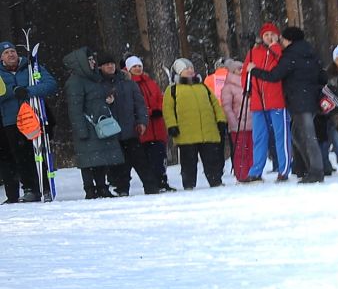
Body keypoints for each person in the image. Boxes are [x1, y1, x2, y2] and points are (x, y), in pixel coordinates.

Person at [254, 25, 327, 183]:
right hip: (312, 99)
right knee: (298, 134)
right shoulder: (311, 53)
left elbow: (275, 75)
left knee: (307, 136)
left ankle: (316, 170)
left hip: (299, 100)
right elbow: (323, 76)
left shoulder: (290, 55)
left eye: (283, 39)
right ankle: (311, 168)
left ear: (288, 40)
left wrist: (255, 71)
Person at [66, 49, 137, 199]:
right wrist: (81, 130)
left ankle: (101, 187)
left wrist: (107, 101)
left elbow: (96, 99)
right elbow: (75, 108)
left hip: (98, 125)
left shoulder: (95, 78)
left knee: (100, 158)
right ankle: (90, 189)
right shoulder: (75, 82)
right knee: (86, 161)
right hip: (87, 125)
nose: (93, 63)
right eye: (90, 60)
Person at [1, 42, 57, 203]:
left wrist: (28, 91)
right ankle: (29, 189)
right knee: (20, 156)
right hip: (11, 120)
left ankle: (44, 187)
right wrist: (13, 92)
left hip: (33, 117)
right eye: (6, 53)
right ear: (1, 58)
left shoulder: (31, 67)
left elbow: (50, 84)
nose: (11, 55)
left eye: (12, 51)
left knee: (38, 152)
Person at [162, 58, 226, 189]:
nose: (191, 70)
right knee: (188, 162)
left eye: (191, 68)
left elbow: (215, 104)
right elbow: (167, 110)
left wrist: (220, 120)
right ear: (179, 72)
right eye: (187, 69)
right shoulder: (172, 90)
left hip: (208, 132)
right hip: (186, 134)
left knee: (211, 160)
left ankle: (216, 181)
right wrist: (172, 125)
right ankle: (189, 185)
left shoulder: (203, 87)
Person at [244, 23, 292, 182]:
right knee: (259, 137)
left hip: (277, 100)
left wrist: (275, 47)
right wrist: (248, 90)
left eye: (272, 34)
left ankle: (284, 170)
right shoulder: (253, 52)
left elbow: (281, 68)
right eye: (266, 35)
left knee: (281, 136)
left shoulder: (281, 51)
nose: (269, 37)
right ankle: (256, 171)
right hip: (258, 102)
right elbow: (246, 73)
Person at [124, 57, 172, 194]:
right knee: (147, 159)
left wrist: (158, 109)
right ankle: (152, 183)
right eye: (134, 67)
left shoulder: (150, 82)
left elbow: (159, 98)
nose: (138, 69)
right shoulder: (129, 84)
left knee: (160, 157)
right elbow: (136, 104)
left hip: (157, 126)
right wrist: (149, 112)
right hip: (144, 128)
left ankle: (162, 181)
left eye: (139, 66)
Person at [219, 55, 252, 180]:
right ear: (232, 71)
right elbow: (226, 106)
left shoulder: (249, 84)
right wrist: (233, 122)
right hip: (238, 124)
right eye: (239, 69)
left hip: (252, 122)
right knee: (241, 151)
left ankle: (252, 173)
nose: (242, 71)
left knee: (251, 149)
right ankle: (242, 174)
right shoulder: (228, 87)